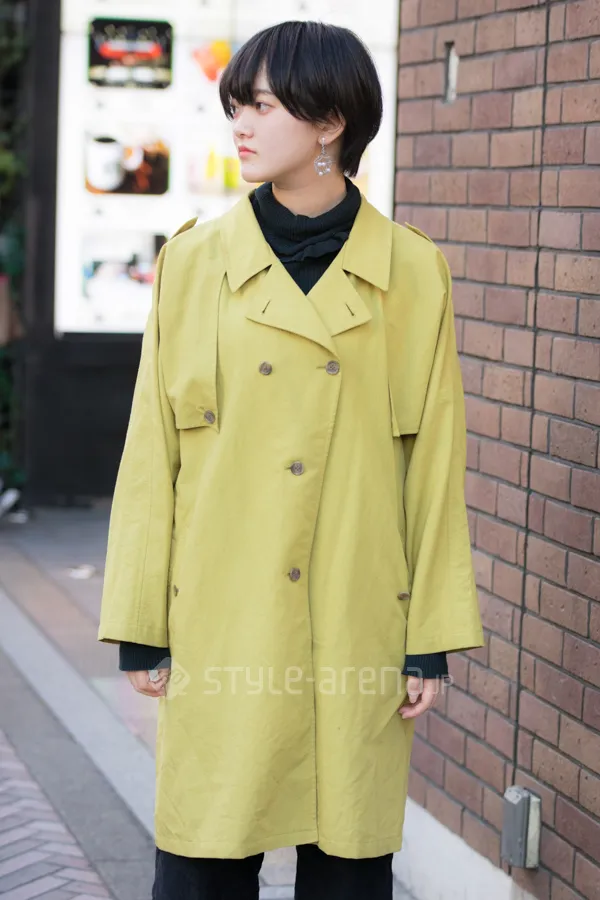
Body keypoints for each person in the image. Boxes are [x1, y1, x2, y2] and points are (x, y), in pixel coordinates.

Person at [97, 20, 485, 900]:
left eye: (262, 106)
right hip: (221, 617)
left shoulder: (412, 272)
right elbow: (153, 455)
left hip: (355, 616)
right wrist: (141, 623)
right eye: (235, 103)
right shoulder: (193, 263)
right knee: (203, 858)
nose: (239, 123)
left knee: (348, 861)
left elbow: (434, 467)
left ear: (330, 122)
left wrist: (429, 639)